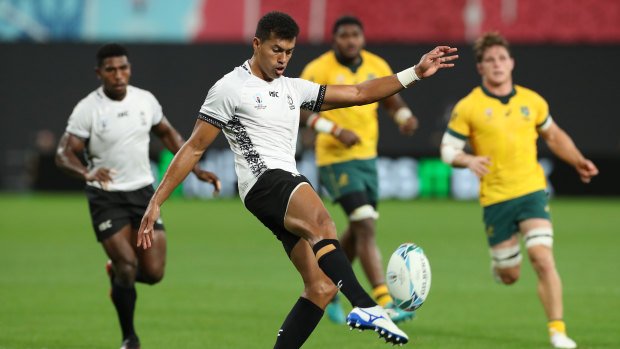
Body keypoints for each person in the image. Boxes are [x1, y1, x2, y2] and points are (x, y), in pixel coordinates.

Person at [138, 12, 456, 348]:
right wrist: (156, 201)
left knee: (321, 287)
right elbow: (193, 148)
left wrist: (416, 73)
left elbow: (360, 92)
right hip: (265, 181)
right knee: (323, 222)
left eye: (289, 52)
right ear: (257, 43)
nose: (283, 59)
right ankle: (366, 306)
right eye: (276, 50)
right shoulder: (230, 87)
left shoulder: (294, 88)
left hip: (280, 186)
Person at [55, 43, 220, 349]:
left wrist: (195, 170)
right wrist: (87, 173)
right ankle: (129, 337)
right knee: (128, 266)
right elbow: (64, 153)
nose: (118, 75)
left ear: (129, 68)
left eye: (123, 68)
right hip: (106, 197)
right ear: (99, 73)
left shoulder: (145, 100)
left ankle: (114, 272)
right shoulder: (87, 109)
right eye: (111, 69)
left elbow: (168, 134)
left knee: (154, 273)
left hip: (144, 192)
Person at [439, 32, 598, 349]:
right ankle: (502, 266)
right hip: (496, 198)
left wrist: (578, 160)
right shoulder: (469, 106)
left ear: (511, 63)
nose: (497, 64)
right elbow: (447, 149)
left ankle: (557, 331)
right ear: (480, 68)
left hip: (531, 190)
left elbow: (553, 136)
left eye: (501, 58)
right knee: (510, 274)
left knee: (542, 257)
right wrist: (467, 159)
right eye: (489, 60)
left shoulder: (532, 101)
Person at [299, 15, 418, 324]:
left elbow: (390, 98)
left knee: (357, 229)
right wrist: (335, 131)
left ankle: (330, 288)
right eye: (344, 35)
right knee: (365, 223)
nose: (350, 40)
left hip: (367, 159)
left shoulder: (377, 65)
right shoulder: (318, 68)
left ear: (362, 39)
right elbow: (299, 109)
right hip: (335, 160)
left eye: (355, 35)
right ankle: (383, 300)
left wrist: (404, 116)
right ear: (334, 39)